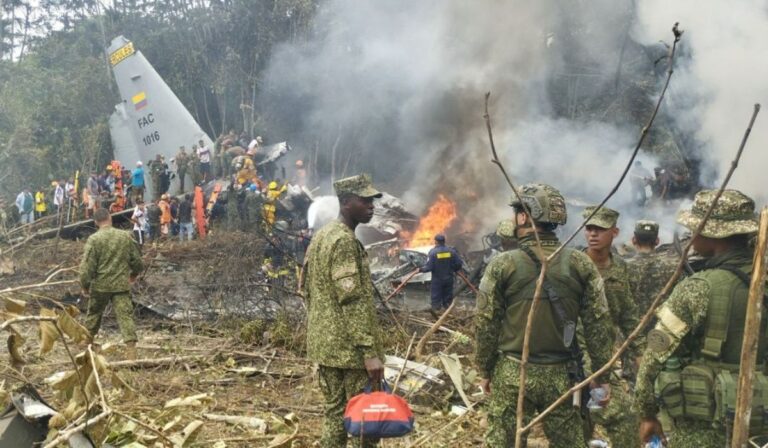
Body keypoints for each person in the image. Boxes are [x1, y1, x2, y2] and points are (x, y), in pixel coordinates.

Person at [475, 183, 614, 447]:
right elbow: (599, 324)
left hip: (514, 373)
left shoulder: (503, 264)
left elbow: (485, 323)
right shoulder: (579, 263)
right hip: (563, 375)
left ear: (525, 217)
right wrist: (601, 376)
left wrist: (484, 368)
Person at [636, 189, 766, 447]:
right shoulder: (760, 278)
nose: (691, 234)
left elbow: (656, 350)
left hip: (705, 427)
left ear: (713, 234)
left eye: (695, 228)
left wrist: (646, 413)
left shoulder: (699, 286)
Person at [303, 174, 385, 447]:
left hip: (326, 347)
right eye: (365, 200)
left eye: (372, 200)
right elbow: (352, 301)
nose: (371, 206)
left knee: (335, 415)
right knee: (364, 425)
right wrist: (370, 353)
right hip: (350, 353)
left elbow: (306, 289)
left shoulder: (322, 237)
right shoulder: (345, 242)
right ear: (346, 202)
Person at [582, 206, 643, 448]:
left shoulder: (620, 268)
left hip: (603, 358)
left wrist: (640, 353)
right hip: (575, 358)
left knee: (622, 419)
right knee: (612, 415)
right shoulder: (574, 266)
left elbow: (628, 313)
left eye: (600, 229)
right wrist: (596, 374)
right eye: (589, 229)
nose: (593, 234)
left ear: (614, 232)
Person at [79, 208, 143, 360]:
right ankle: (131, 352)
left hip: (100, 285)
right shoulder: (125, 236)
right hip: (121, 285)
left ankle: (85, 344)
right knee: (125, 316)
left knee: (94, 314)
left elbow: (87, 267)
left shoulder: (94, 240)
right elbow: (137, 261)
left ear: (95, 222)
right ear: (110, 218)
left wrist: (85, 285)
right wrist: (133, 275)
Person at [628, 220, 678, 316]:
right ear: (657, 241)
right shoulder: (673, 267)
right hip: (660, 326)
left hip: (632, 326)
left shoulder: (623, 267)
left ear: (634, 240)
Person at [419, 234, 463, 315]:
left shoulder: (432, 253)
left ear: (436, 241)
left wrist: (420, 269)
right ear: (444, 241)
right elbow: (459, 263)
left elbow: (429, 267)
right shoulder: (451, 251)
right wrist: (453, 269)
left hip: (437, 280)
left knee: (436, 299)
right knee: (448, 299)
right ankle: (448, 315)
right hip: (449, 279)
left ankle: (436, 315)